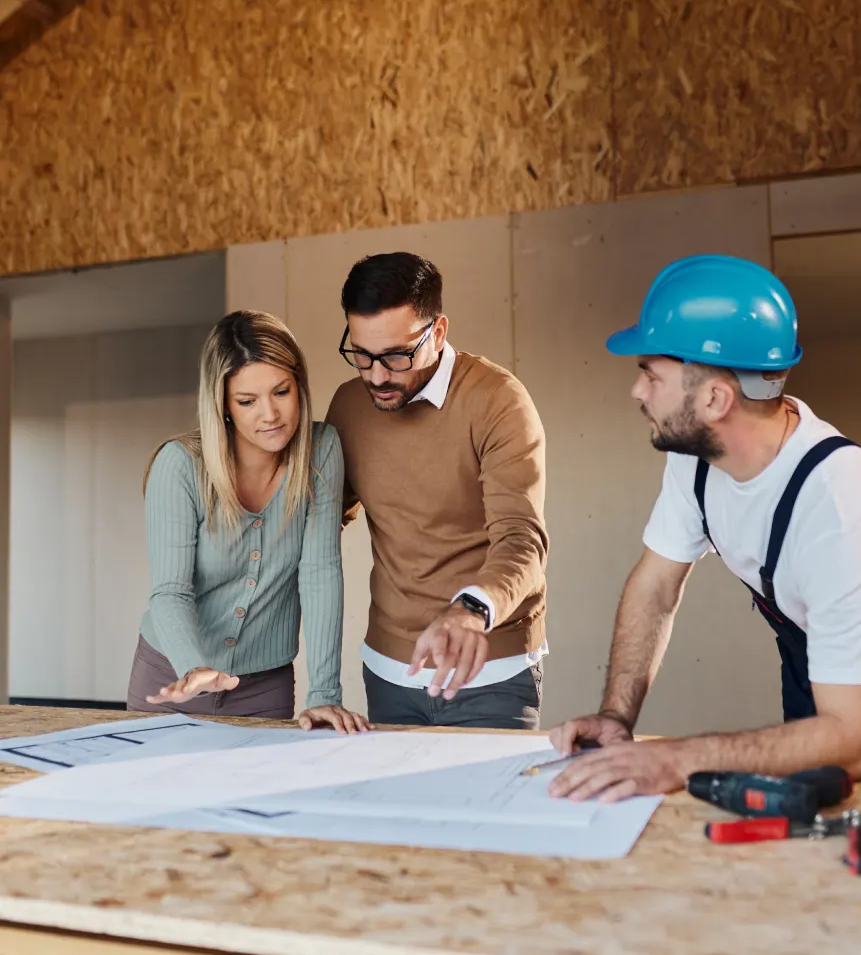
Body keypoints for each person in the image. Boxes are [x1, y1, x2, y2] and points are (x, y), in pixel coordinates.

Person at [548, 254, 861, 803]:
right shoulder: (695, 457)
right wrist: (616, 717)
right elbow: (656, 586)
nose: (637, 391)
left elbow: (856, 738)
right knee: (807, 833)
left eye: (650, 374)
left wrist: (675, 757)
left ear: (714, 399)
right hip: (811, 665)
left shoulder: (843, 511)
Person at [325, 252, 548, 729]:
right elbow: (318, 519)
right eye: (361, 355)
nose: (377, 376)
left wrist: (469, 610)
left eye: (396, 356)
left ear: (438, 332)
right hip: (388, 670)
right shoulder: (349, 404)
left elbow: (522, 540)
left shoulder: (497, 400)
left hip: (491, 668)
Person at [127, 310, 370, 734]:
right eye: (247, 401)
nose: (270, 414)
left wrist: (325, 693)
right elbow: (170, 591)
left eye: (281, 391)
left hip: (264, 688)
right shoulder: (180, 466)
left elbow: (320, 574)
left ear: (300, 386)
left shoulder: (322, 451)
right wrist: (193, 667)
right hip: (173, 677)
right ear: (222, 404)